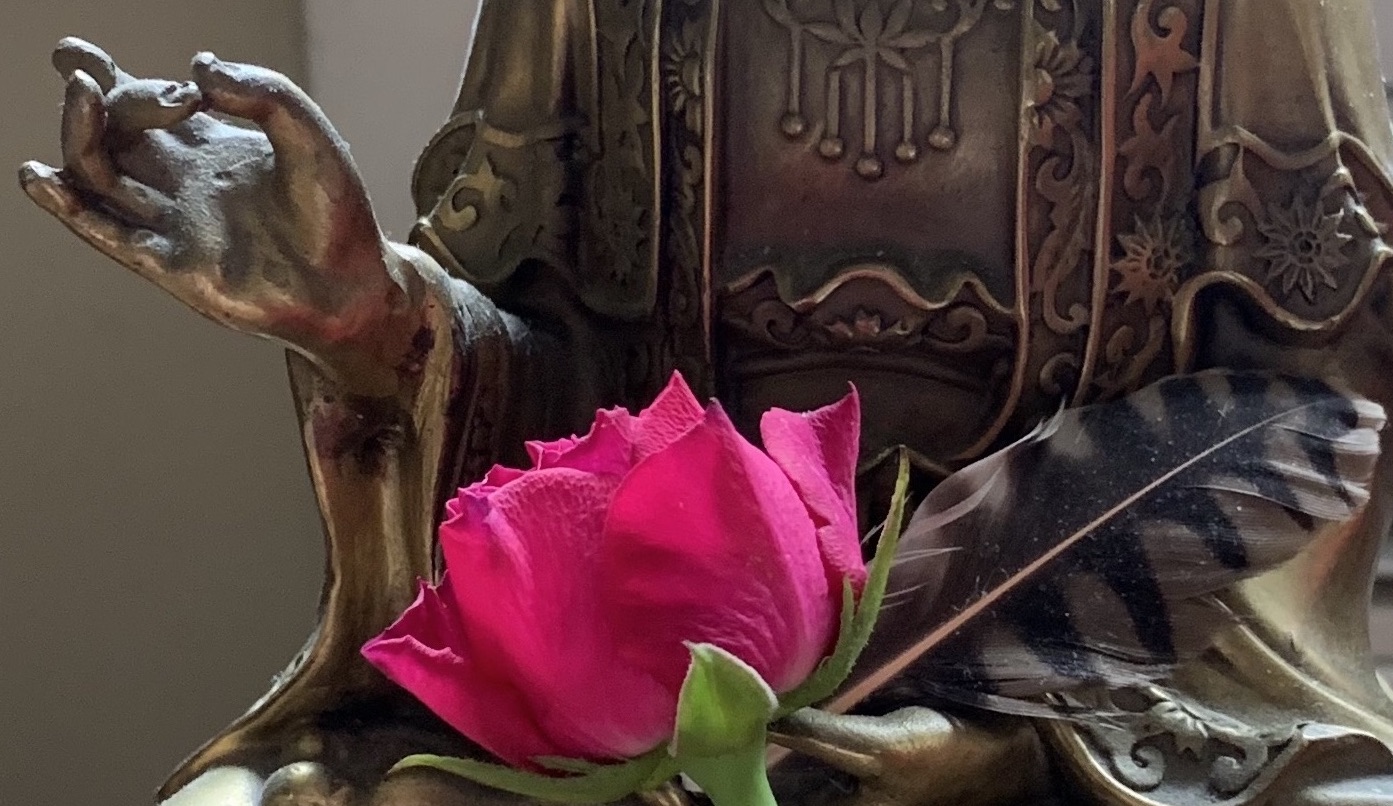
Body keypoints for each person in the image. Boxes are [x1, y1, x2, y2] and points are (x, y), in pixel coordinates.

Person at [21, 1, 1393, 803]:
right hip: (646, 679)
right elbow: (568, 399)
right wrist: (373, 315)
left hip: (1113, 703)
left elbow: (1309, 428)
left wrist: (1004, 746)